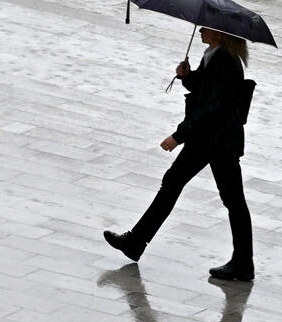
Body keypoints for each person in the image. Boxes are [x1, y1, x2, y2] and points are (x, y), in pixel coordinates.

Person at [103, 27, 254, 281]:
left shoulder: (225, 62)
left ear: (219, 34)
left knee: (229, 199)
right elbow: (207, 91)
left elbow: (212, 109)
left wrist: (178, 136)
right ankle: (136, 242)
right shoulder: (215, 56)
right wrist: (187, 76)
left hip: (214, 141)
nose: (201, 30)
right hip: (213, 140)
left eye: (206, 28)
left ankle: (243, 263)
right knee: (191, 188)